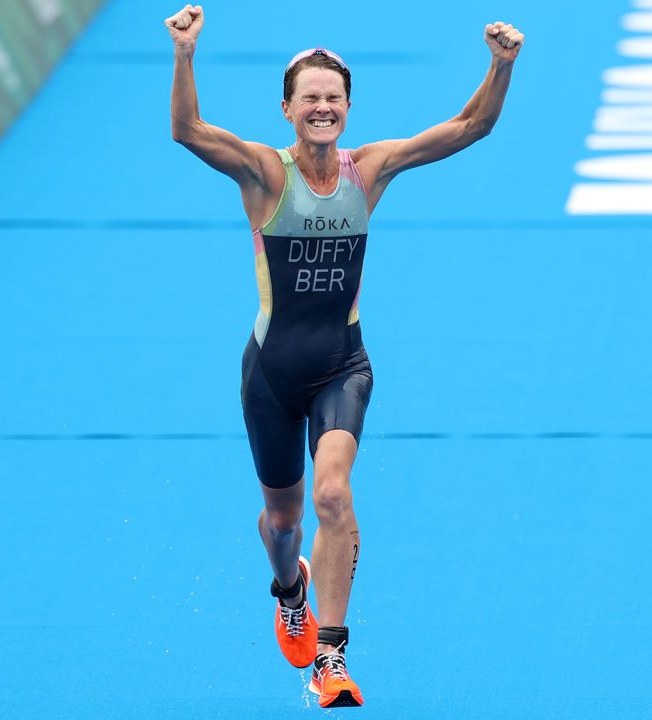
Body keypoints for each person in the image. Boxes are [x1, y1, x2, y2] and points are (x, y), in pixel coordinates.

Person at [165, 4, 523, 708]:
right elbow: (186, 132)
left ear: (348, 107)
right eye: (311, 99)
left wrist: (501, 66)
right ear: (288, 110)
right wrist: (184, 55)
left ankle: (330, 656)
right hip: (270, 376)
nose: (322, 108)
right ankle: (288, 589)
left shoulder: (372, 171)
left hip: (341, 366)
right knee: (284, 522)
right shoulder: (266, 175)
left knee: (333, 493)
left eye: (333, 98)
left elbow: (470, 127)